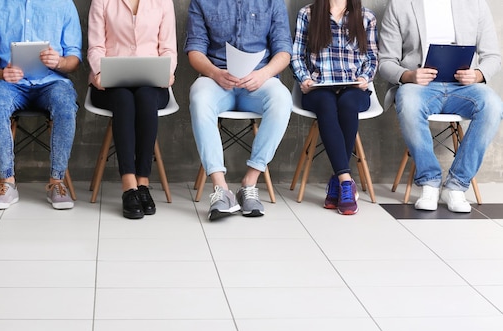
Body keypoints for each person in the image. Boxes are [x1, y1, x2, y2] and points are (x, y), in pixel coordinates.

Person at [378, 0, 502, 213]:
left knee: (492, 104)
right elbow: (385, 61)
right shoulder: (400, 5)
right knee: (408, 101)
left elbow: (493, 56)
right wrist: (408, 75)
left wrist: (478, 75)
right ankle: (430, 181)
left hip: (463, 87)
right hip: (419, 86)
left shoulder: (476, 4)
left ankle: (456, 185)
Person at [185, 0, 293, 221]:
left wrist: (264, 74)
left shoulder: (273, 2)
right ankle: (220, 189)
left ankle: (250, 183)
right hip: (217, 79)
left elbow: (284, 50)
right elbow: (195, 49)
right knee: (199, 97)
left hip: (258, 80)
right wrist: (215, 73)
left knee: (282, 99)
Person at [0, 0, 82, 210]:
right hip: (10, 84)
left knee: (65, 104)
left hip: (52, 81)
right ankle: (7, 182)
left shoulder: (64, 4)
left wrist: (59, 62)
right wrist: (1, 73)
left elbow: (74, 57)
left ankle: (57, 182)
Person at [87, 0, 177, 219]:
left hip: (152, 83)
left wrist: (168, 71)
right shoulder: (102, 1)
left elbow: (168, 49)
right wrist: (99, 73)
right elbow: (96, 47)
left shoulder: (164, 2)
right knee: (124, 100)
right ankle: (129, 185)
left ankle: (143, 182)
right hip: (110, 84)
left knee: (146, 98)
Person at [291, 0, 378, 215]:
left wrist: (365, 78)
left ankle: (337, 182)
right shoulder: (308, 14)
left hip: (353, 86)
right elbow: (297, 55)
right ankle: (346, 182)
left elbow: (373, 57)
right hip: (319, 88)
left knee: (348, 104)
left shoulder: (366, 16)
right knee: (327, 104)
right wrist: (304, 79)